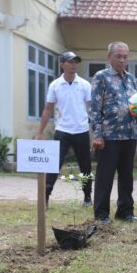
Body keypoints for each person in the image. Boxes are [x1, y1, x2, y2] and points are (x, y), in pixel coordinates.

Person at [90, 42, 137, 224]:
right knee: (105, 176)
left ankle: (125, 211)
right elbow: (95, 109)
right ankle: (101, 214)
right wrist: (97, 134)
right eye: (118, 56)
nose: (122, 60)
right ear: (109, 57)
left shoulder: (131, 79)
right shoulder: (101, 77)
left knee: (127, 175)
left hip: (130, 134)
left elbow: (136, 105)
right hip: (109, 136)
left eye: (125, 56)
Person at [36, 51, 92, 208]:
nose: (74, 64)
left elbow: (92, 108)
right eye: (70, 62)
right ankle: (45, 197)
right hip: (62, 130)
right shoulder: (55, 85)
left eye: (76, 62)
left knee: (85, 166)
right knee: (54, 165)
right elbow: (48, 109)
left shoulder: (85, 85)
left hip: (81, 130)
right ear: (62, 64)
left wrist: (97, 132)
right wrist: (40, 131)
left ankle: (87, 197)